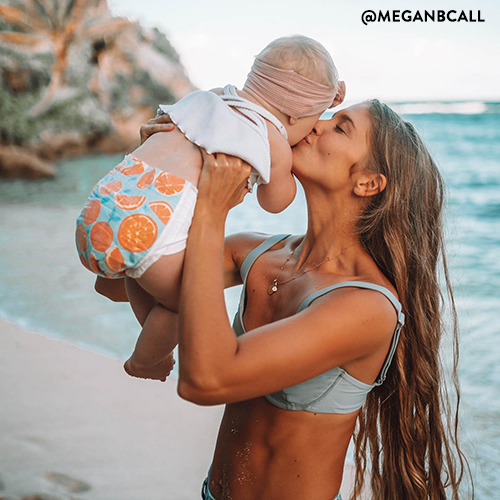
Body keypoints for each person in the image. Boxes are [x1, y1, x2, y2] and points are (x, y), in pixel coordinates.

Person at [98, 101, 472, 499]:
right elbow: (115, 280)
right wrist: (149, 174)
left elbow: (205, 381)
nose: (315, 125)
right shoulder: (258, 255)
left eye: (340, 127)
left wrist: (212, 210)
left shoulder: (365, 306)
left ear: (367, 182)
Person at [75, 35, 346, 381]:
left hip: (104, 202)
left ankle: (154, 330)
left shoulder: (208, 97)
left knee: (151, 280)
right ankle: (145, 360)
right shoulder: (273, 142)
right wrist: (285, 164)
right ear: (296, 113)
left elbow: (164, 128)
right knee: (188, 303)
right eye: (317, 117)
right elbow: (276, 202)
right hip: (150, 226)